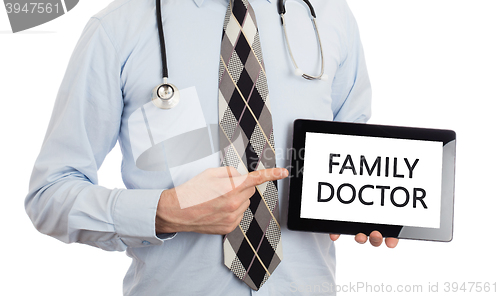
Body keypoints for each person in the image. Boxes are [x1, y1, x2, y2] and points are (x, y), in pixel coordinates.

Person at [25, 0, 398, 295]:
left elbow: (351, 161)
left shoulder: (330, 17)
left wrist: (369, 209)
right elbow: (49, 194)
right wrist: (165, 211)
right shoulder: (118, 28)